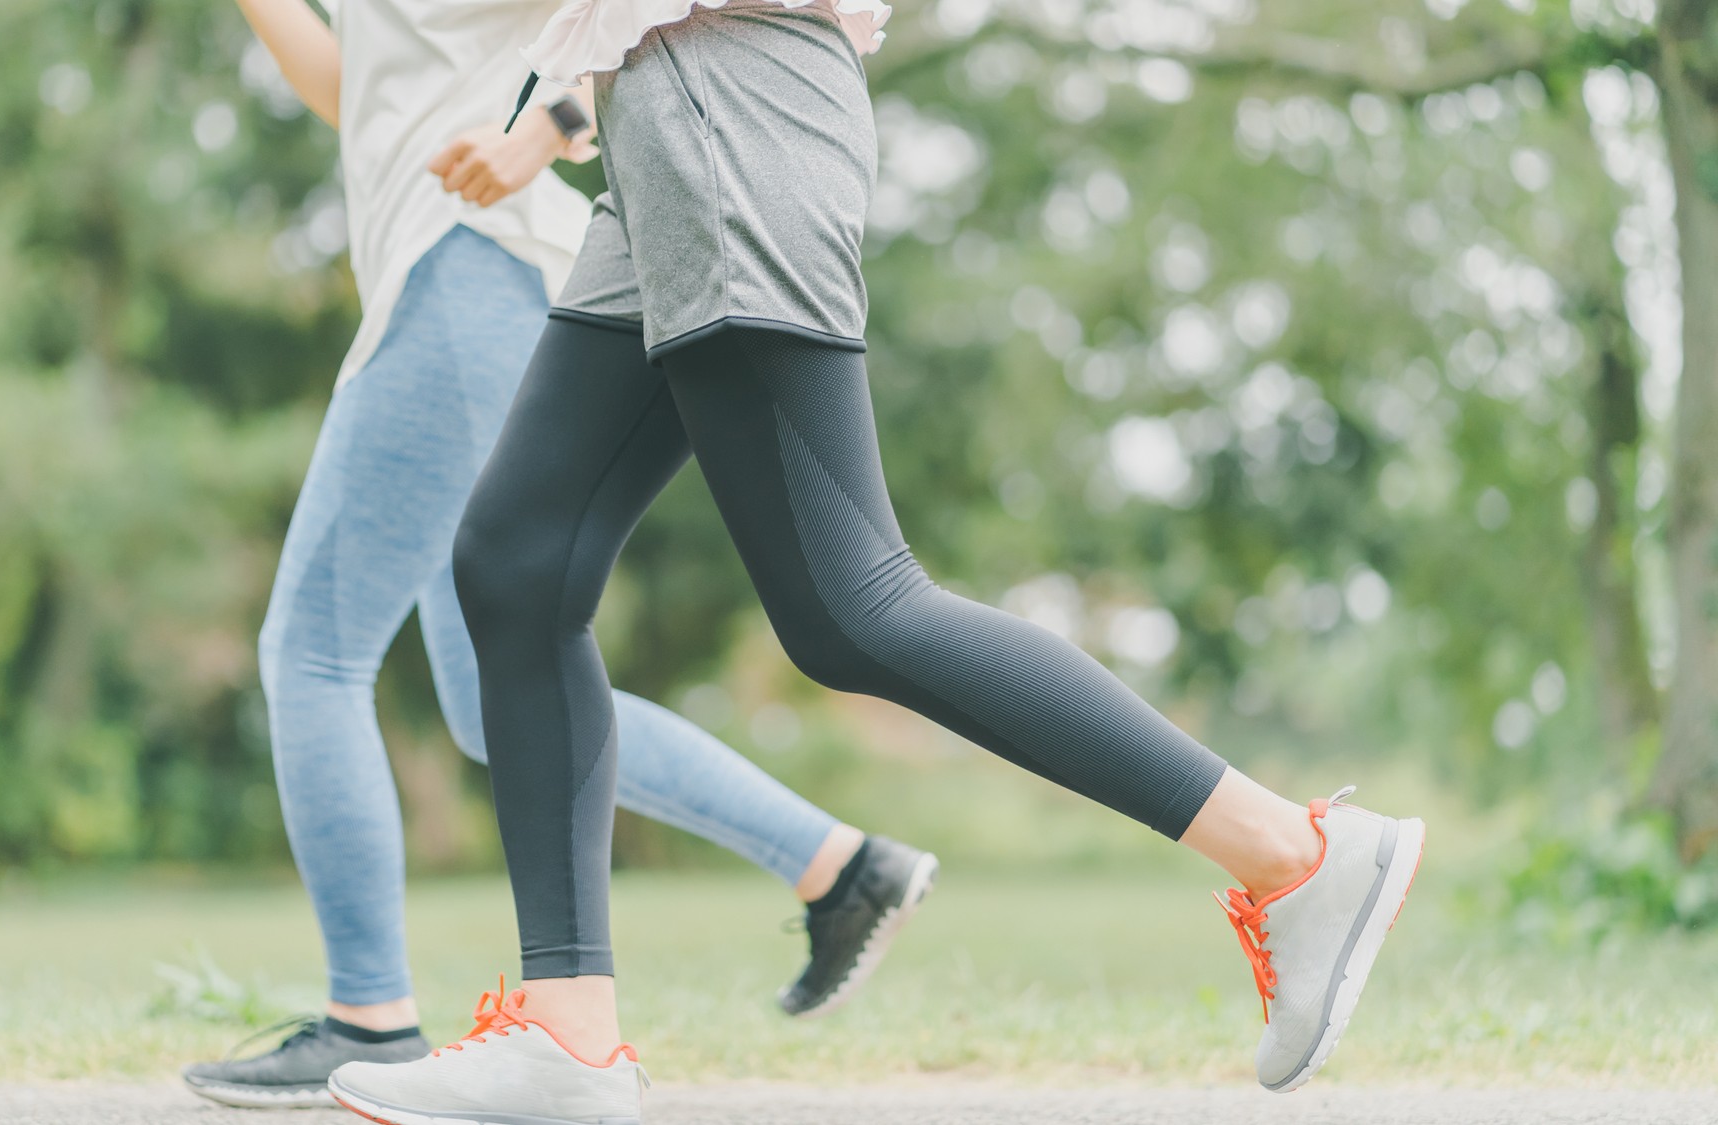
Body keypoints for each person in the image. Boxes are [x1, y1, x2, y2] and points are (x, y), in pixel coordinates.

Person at [321, 2, 1427, 1122]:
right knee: (515, 562)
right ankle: (565, 1037)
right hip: (658, 112)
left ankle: (1291, 854)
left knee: (850, 606)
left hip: (725, 103)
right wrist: (561, 105)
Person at [181, 0, 938, 1108]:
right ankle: (837, 866)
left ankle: (370, 1014)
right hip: (461, 272)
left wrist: (545, 129)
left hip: (460, 270)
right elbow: (358, 94)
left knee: (314, 654)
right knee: (491, 701)